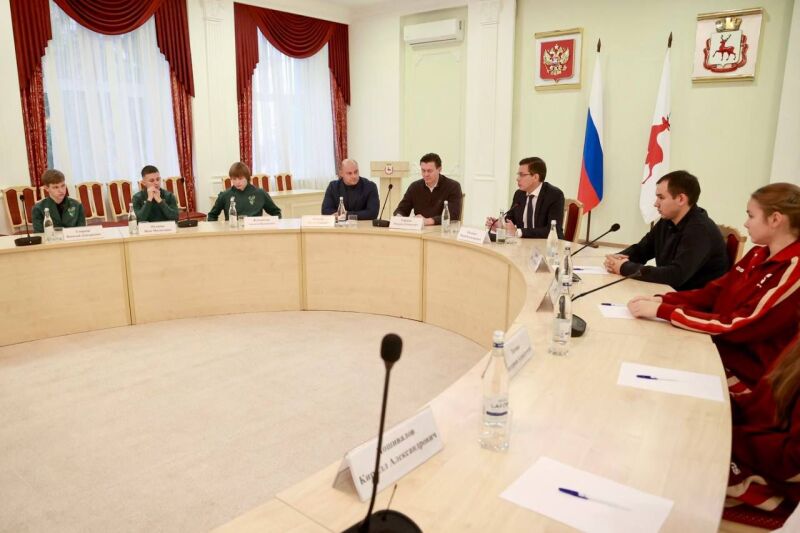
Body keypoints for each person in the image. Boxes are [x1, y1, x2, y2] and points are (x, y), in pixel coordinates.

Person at [628, 182, 800, 391]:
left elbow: (740, 326)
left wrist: (663, 311)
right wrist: (663, 299)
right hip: (718, 346)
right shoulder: (758, 254)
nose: (746, 224)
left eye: (751, 216)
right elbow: (714, 292)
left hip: (747, 377)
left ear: (775, 220)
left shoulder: (793, 269)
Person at [604, 170, 728, 290]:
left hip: (692, 298)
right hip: (669, 291)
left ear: (681, 199)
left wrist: (625, 268)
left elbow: (675, 275)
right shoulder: (668, 219)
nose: (655, 204)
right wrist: (617, 260)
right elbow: (643, 249)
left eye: (661, 197)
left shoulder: (700, 230)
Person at [726, 338, 800, 522]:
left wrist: (729, 434)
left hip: (778, 484)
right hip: (754, 445)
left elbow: (791, 463)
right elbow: (762, 407)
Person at [486, 156, 564, 238]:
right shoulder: (519, 194)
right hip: (523, 243)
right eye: (518, 175)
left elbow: (553, 230)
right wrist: (501, 226)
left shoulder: (554, 195)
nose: (517, 179)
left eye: (522, 175)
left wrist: (518, 232)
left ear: (535, 177)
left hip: (546, 243)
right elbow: (510, 219)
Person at [393, 153, 462, 225]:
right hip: (420, 229)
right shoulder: (414, 187)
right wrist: (399, 217)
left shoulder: (453, 186)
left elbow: (453, 216)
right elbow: (402, 209)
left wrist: (427, 221)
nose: (426, 174)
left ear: (439, 169)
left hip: (442, 229)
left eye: (429, 171)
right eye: (423, 170)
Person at [208, 162, 281, 221]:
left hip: (255, 231)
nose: (237, 182)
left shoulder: (260, 193)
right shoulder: (224, 195)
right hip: (233, 232)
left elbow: (276, 213)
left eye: (240, 178)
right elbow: (212, 216)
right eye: (234, 179)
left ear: (247, 177)